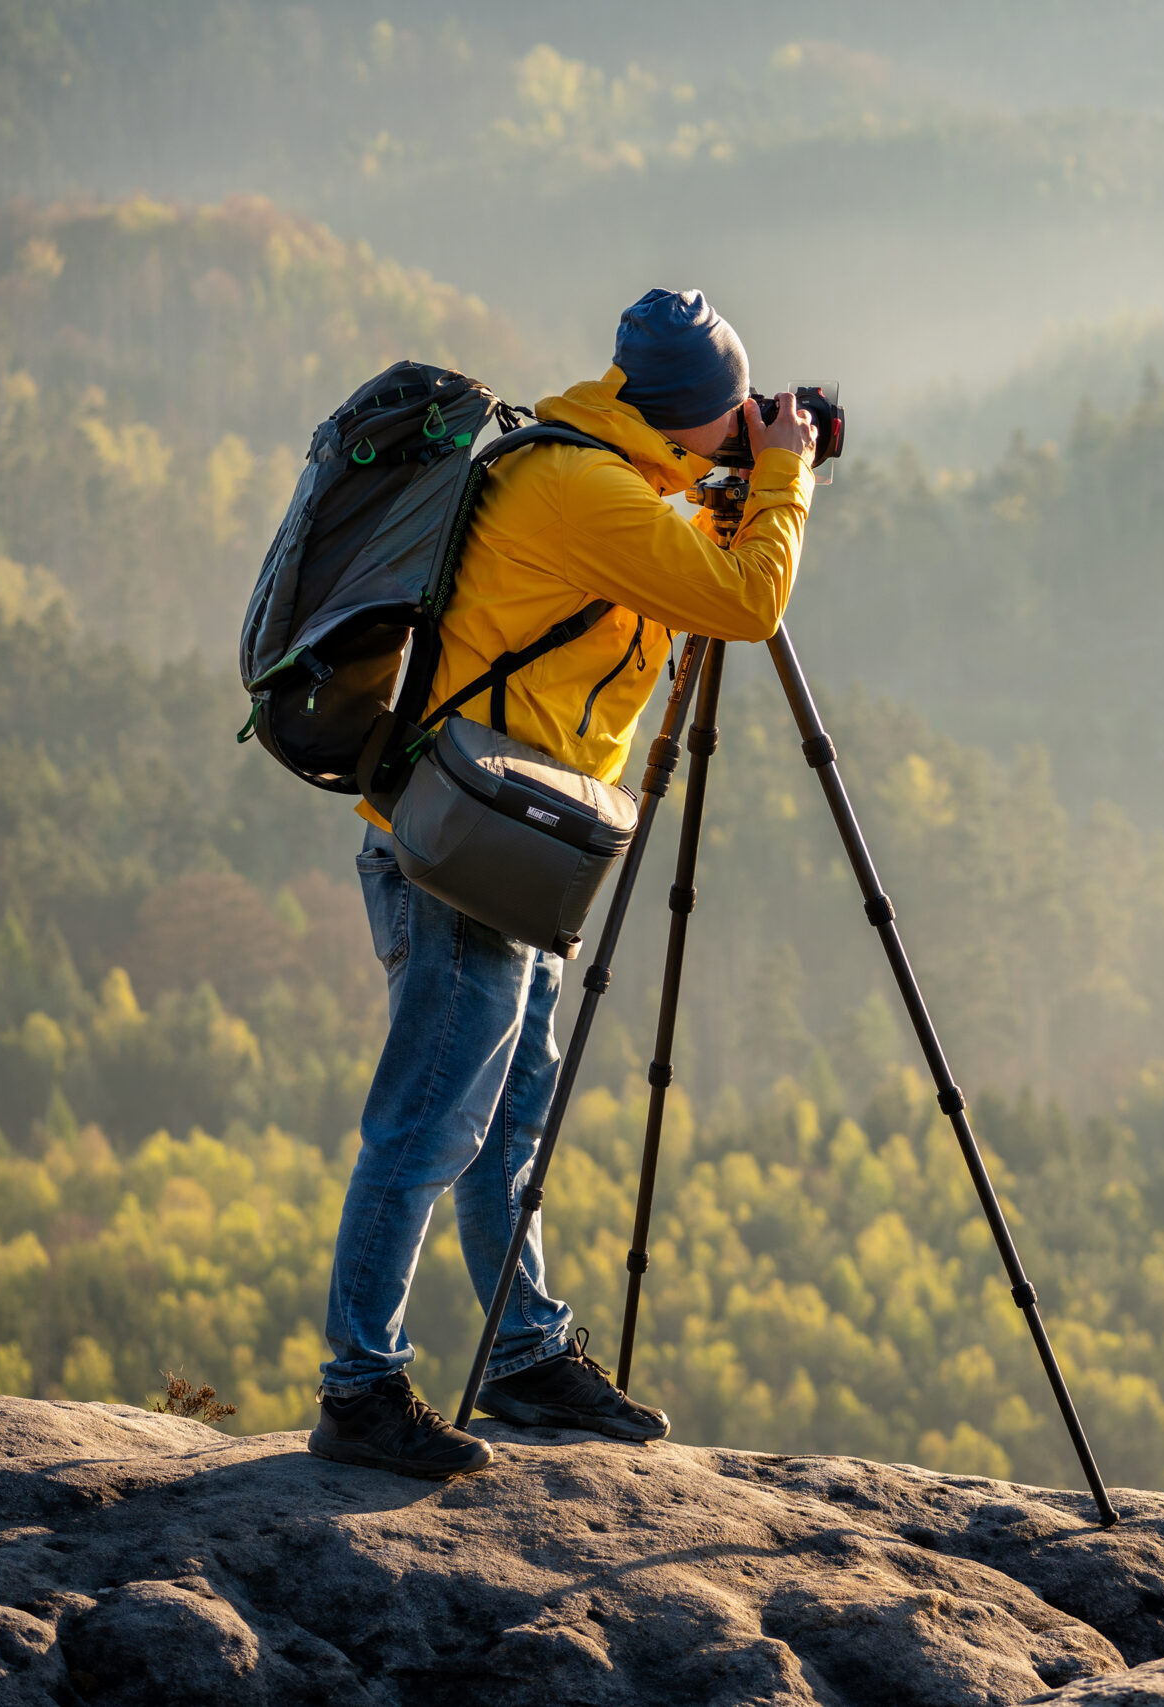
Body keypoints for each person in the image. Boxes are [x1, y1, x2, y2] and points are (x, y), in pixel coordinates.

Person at [309, 289, 817, 1478]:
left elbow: (681, 561)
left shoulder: (617, 472)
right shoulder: (583, 490)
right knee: (429, 1118)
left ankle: (521, 1350)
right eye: (737, 410)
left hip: (519, 836)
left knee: (507, 1112)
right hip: (460, 846)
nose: (750, 425)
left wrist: (736, 488)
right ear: (700, 411)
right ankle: (360, 1388)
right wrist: (786, 483)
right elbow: (744, 603)